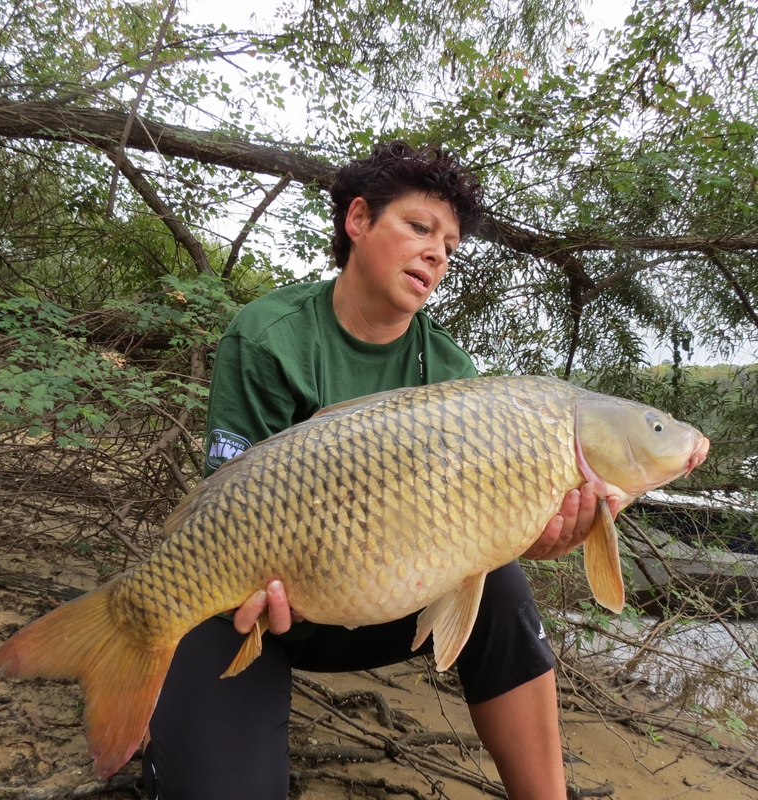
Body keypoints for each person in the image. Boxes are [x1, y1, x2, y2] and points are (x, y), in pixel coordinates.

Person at [142, 141, 619, 800]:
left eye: (449, 245)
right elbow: (225, 507)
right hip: (251, 610)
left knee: (501, 583)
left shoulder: (451, 375)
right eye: (420, 228)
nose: (437, 254)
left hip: (379, 601)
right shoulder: (268, 336)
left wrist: (530, 536)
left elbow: (473, 534)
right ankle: (162, 696)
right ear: (358, 221)